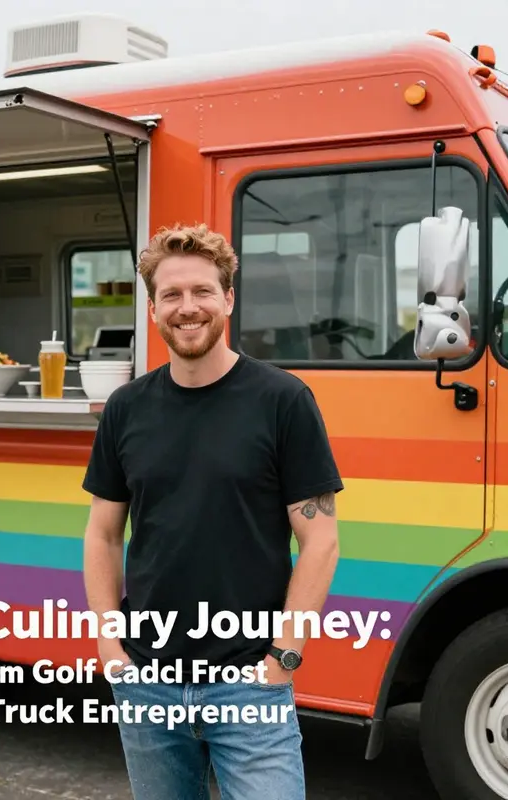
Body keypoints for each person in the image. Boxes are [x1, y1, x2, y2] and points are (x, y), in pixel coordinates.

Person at [81, 223, 343, 800]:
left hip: (250, 684)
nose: (187, 307)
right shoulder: (126, 409)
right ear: (152, 309)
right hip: (148, 682)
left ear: (228, 298)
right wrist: (111, 650)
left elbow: (320, 540)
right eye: (171, 295)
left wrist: (283, 659)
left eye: (202, 291)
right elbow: (102, 534)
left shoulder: (282, 401)